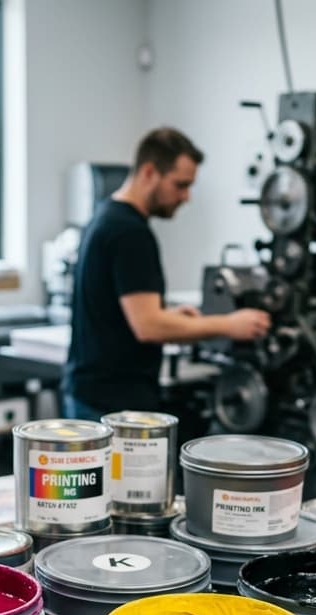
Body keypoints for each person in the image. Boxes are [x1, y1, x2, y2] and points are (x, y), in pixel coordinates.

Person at [61, 127, 271, 420]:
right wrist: (229, 324)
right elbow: (148, 326)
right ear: (149, 172)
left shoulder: (107, 215)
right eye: (180, 185)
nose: (186, 197)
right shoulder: (129, 232)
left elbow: (122, 311)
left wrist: (170, 315)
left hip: (95, 394)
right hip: (114, 405)